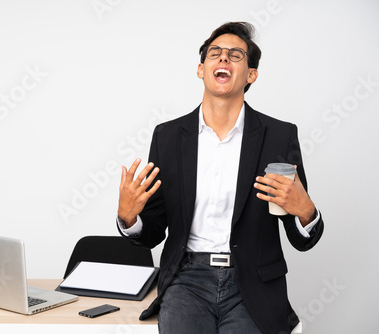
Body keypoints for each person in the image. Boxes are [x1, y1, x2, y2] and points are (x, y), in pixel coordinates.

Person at [116, 22, 324, 334]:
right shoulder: (169, 136)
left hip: (253, 281)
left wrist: (305, 210)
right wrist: (129, 217)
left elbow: (301, 238)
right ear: (201, 69)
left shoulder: (279, 137)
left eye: (235, 55)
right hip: (186, 280)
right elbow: (154, 230)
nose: (223, 59)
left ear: (251, 75)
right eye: (215, 53)